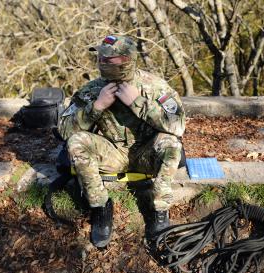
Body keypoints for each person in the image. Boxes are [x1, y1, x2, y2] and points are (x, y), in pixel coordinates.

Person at [57, 35, 186, 248]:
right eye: (100, 58)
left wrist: (138, 102)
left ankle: (159, 211)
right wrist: (97, 106)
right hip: (112, 152)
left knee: (172, 144)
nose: (102, 63)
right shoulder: (92, 90)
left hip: (146, 152)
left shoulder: (154, 87)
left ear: (127, 59)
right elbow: (64, 130)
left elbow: (178, 125)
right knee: (76, 141)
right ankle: (100, 207)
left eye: (109, 59)